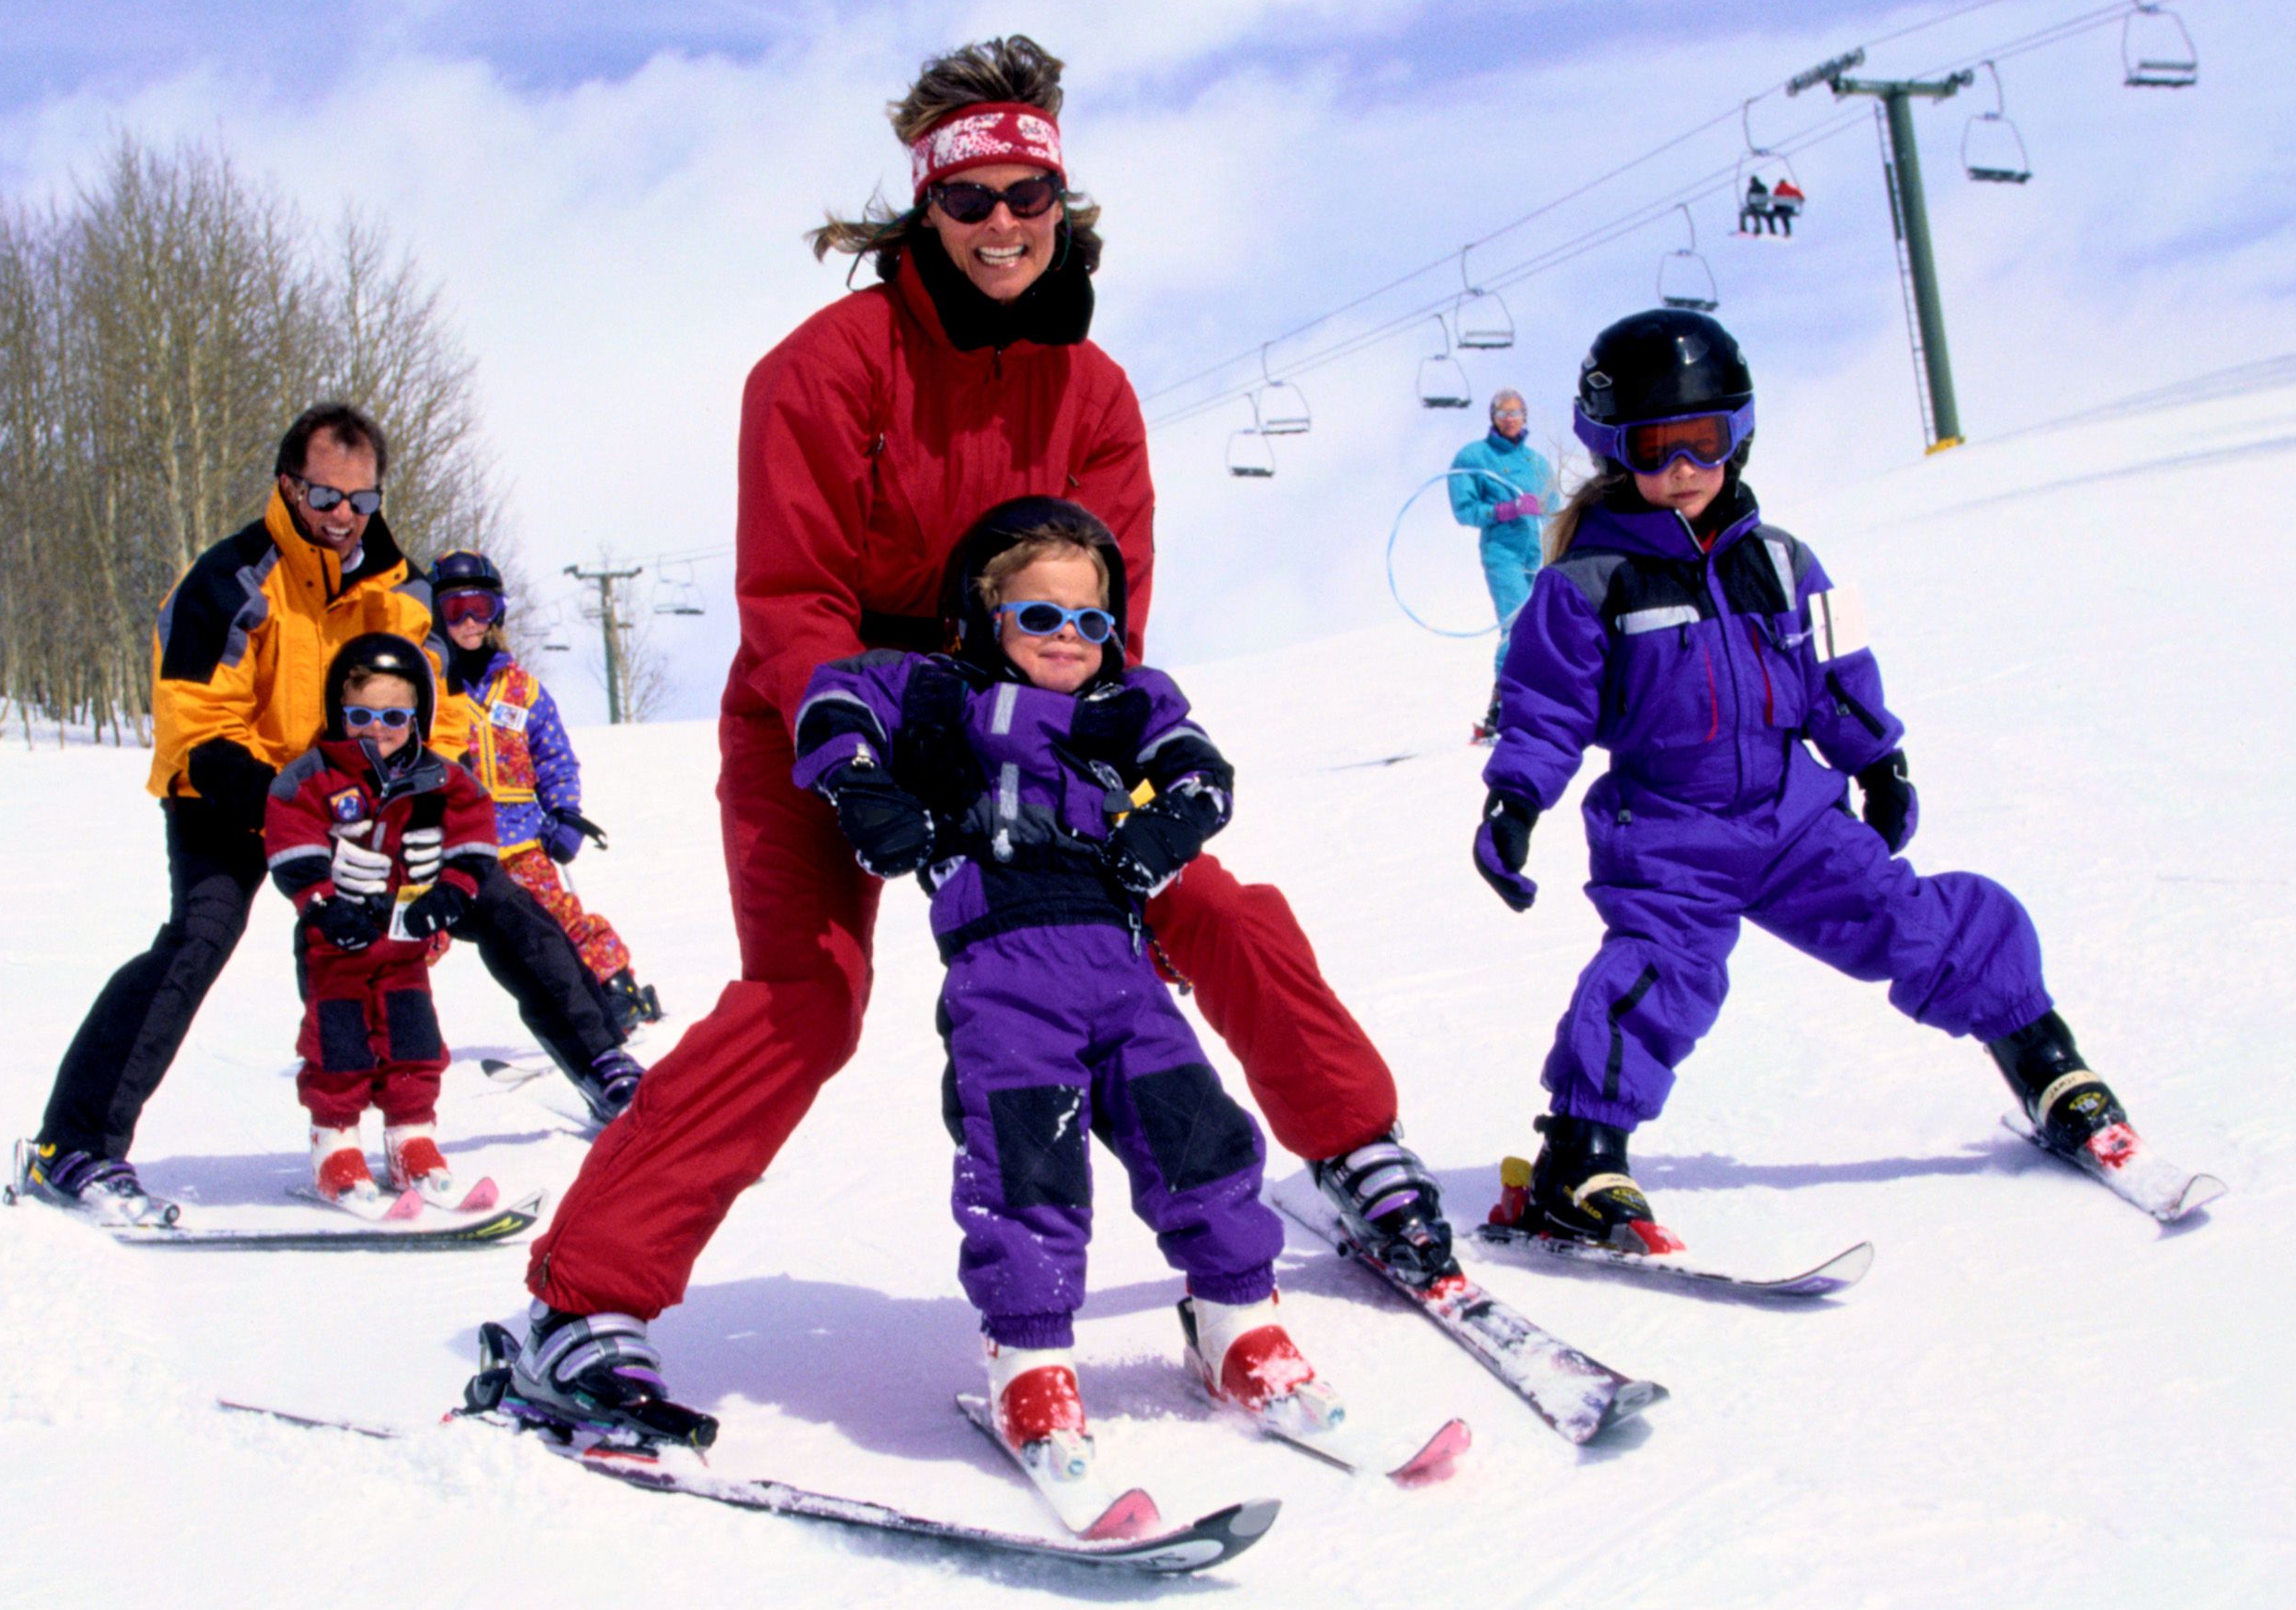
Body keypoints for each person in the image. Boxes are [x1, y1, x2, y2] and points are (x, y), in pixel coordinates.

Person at [481, 34, 1469, 1445]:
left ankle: (1358, 1155)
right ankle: (584, 1301)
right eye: (970, 200)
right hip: (826, 723)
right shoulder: (820, 374)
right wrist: (861, 758)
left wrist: (1140, 764)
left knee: (1207, 908)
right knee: (804, 1000)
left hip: (1029, 720)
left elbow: (1102, 613)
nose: (1002, 225)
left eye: (1028, 197)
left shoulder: (1095, 395)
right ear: (921, 213)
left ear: (1063, 206)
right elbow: (792, 597)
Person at [1468, 308, 2143, 1251]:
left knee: (1911, 923)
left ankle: (2044, 1059)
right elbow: (1545, 706)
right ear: (1615, 453)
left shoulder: (1782, 560)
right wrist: (1513, 800)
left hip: (1793, 816)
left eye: (1701, 443)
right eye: (1654, 449)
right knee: (1656, 976)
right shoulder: (1585, 581)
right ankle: (1579, 1158)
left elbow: (1835, 671)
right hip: (1665, 828)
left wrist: (1877, 757)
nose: (1681, 470)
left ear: (1734, 436)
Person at [794, 500, 1338, 1488]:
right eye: (1039, 617)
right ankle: (1029, 1354)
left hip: (1123, 968)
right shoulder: (940, 693)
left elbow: (1198, 766)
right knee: (1025, 1160)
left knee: (1196, 1134)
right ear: (983, 612)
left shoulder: (1127, 706)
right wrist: (865, 790)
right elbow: (831, 705)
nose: (1067, 640)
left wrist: (1171, 822)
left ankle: (1235, 1323)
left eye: (1090, 622)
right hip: (1004, 972)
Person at [16, 404, 635, 1228]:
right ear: (287, 486)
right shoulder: (230, 580)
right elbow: (198, 724)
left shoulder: (402, 591)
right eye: (324, 496)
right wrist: (299, 811)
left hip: (369, 792)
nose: (344, 516)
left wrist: (415, 808)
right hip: (229, 794)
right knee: (200, 934)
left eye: (361, 500)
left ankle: (607, 1069)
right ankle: (73, 1145)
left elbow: (443, 714)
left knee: (489, 889)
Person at [263, 633, 508, 1219]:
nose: (377, 730)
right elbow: (291, 836)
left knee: (414, 1042)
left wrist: (452, 893)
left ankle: (411, 1138)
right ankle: (335, 1146)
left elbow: (474, 831)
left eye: (394, 716)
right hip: (337, 947)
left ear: (418, 715)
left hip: (404, 946)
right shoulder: (313, 776)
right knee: (339, 1045)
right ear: (337, 713)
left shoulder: (438, 777)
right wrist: (323, 902)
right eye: (361, 716)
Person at [425, 550, 661, 1040]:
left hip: (518, 836)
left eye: (480, 607)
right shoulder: (428, 688)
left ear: (498, 613)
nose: (469, 621)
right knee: (422, 928)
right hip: (450, 840)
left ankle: (615, 990)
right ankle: (380, 1018)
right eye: (454, 610)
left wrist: (565, 813)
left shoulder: (522, 690)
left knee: (554, 919)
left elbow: (554, 757)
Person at [1443, 388, 1554, 741]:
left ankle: (1535, 703)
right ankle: (1503, 710)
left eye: (1516, 412)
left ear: (1525, 416)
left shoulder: (1537, 463)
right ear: (1492, 417)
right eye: (1503, 413)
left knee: (1541, 625)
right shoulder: (1474, 456)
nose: (1510, 419)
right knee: (1517, 623)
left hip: (1536, 552)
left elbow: (1557, 507)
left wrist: (1548, 513)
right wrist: (1502, 511)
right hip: (1502, 552)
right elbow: (1464, 509)